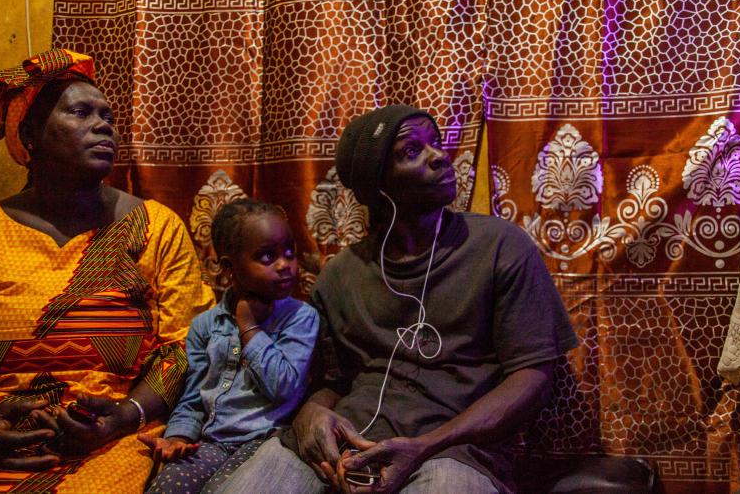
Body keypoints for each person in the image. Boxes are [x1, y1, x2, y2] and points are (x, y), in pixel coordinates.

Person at [213, 105, 579, 494]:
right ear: (377, 186)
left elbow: (533, 377)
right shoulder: (340, 275)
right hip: (347, 444)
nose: (439, 157)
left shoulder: (500, 247)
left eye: (435, 143)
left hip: (453, 450)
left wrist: (427, 446)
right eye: (411, 151)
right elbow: (332, 381)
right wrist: (311, 414)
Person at [0, 49, 213, 493]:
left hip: (110, 444)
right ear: (29, 134)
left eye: (108, 116)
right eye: (80, 112)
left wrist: (124, 416)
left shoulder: (156, 227)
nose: (104, 125)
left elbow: (184, 347)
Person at [140, 198, 319, 494]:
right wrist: (178, 436)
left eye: (290, 252)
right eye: (267, 257)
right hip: (212, 441)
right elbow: (193, 397)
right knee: (166, 486)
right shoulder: (205, 325)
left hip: (267, 442)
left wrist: (249, 327)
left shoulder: (301, 317)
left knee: (225, 490)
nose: (285, 265)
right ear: (228, 267)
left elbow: (284, 387)